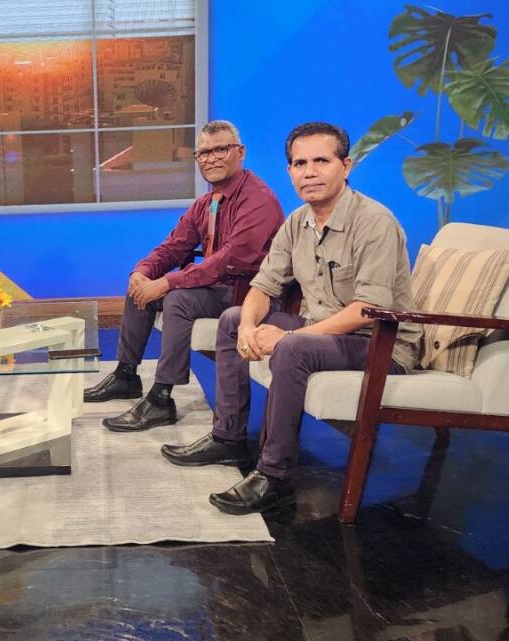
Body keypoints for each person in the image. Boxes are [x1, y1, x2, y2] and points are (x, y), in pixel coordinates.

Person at [161, 122, 422, 514]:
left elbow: (367, 309)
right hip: (324, 332)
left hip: (379, 344)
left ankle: (274, 475)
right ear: (290, 172)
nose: (309, 172)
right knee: (231, 319)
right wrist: (248, 326)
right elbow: (263, 286)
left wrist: (287, 338)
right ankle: (228, 437)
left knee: (294, 347)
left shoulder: (374, 222)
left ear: (346, 166)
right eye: (300, 164)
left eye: (321, 161)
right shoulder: (297, 222)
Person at [85, 120, 284, 433]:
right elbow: (173, 246)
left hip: (247, 294)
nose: (211, 158)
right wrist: (142, 272)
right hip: (215, 288)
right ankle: (126, 375)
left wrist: (167, 282)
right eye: (204, 153)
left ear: (240, 152)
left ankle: (161, 398)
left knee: (177, 298)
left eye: (221, 149)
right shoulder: (206, 203)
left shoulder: (258, 200)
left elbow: (228, 260)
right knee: (141, 287)